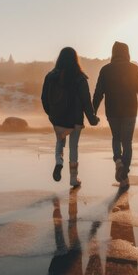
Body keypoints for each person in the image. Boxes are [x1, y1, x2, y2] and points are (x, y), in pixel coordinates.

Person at [93, 41, 138, 188]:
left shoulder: (105, 70)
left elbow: (98, 93)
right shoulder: (134, 69)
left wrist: (92, 112)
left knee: (116, 138)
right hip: (130, 111)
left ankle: (118, 162)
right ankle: (124, 173)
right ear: (127, 53)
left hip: (112, 112)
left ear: (113, 53)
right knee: (127, 142)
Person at [42, 47, 99, 187]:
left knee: (60, 142)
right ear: (75, 59)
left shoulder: (50, 76)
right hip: (75, 120)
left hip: (58, 118)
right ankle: (73, 178)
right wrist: (92, 119)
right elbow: (86, 100)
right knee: (74, 147)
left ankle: (58, 162)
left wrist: (51, 114)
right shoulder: (80, 78)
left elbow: (44, 98)